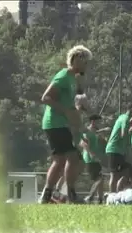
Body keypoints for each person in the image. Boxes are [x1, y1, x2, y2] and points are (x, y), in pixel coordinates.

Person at [39, 45, 92, 204]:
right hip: (54, 123)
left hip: (61, 124)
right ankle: (70, 194)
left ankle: (48, 195)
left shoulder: (72, 79)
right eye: (85, 62)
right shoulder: (63, 76)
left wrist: (77, 111)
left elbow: (69, 104)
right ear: (77, 59)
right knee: (72, 157)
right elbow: (46, 98)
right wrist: (66, 112)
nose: (87, 65)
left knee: (61, 160)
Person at [106, 104, 132, 192]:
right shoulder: (125, 118)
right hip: (113, 150)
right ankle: (112, 196)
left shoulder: (124, 118)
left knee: (128, 172)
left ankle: (123, 193)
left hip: (120, 151)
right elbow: (123, 134)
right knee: (114, 175)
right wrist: (130, 131)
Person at [81, 115, 105, 204]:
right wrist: (91, 154)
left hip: (96, 159)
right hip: (90, 159)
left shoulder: (95, 132)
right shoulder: (87, 132)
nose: (100, 124)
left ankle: (100, 199)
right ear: (93, 122)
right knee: (99, 178)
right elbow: (83, 144)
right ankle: (90, 197)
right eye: (99, 122)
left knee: (100, 179)